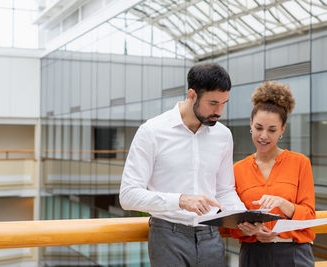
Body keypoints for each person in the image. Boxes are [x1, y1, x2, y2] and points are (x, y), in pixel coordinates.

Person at [120, 63, 246, 267]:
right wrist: (180, 200)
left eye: (224, 103)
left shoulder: (223, 135)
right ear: (192, 95)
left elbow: (225, 190)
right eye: (213, 103)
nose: (219, 111)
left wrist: (243, 216)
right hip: (167, 237)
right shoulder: (151, 132)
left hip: (212, 237)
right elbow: (128, 195)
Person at [230, 81, 316, 267]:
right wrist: (247, 230)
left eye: (272, 130)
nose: (264, 136)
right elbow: (231, 223)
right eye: (259, 127)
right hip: (253, 255)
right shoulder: (237, 169)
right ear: (251, 125)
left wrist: (285, 205)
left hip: (295, 254)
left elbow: (309, 216)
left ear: (282, 130)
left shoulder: (300, 163)